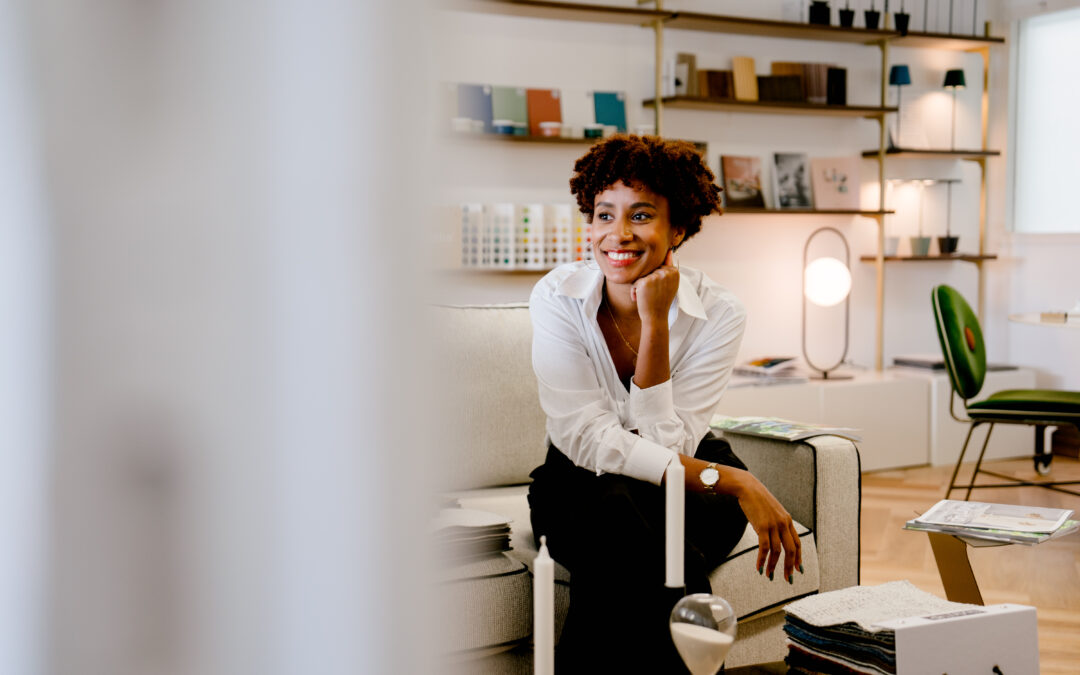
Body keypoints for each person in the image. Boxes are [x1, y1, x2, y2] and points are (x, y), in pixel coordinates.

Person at [527, 135, 802, 672]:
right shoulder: (557, 297)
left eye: (641, 215)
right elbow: (585, 440)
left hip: (692, 479)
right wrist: (737, 480)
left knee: (622, 521)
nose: (617, 234)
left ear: (678, 229)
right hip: (586, 479)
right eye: (603, 214)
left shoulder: (719, 313)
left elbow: (662, 446)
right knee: (630, 527)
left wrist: (655, 324)